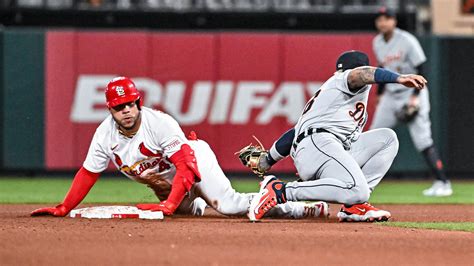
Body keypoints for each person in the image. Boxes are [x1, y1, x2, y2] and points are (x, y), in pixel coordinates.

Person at [30, 77, 328, 219]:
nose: (127, 111)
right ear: (110, 110)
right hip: (168, 180)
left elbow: (186, 165)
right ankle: (190, 204)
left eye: (130, 104)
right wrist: (64, 207)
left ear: (138, 103)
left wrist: (169, 204)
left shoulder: (158, 123)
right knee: (185, 211)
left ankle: (303, 207)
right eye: (119, 107)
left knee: (229, 205)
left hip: (192, 161)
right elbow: (88, 173)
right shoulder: (104, 135)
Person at [246, 50, 427, 222]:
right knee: (358, 189)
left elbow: (294, 132)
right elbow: (361, 74)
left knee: (388, 139)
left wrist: (268, 160)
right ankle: (282, 191)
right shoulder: (343, 79)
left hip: (323, 149)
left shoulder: (333, 98)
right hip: (319, 144)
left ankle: (355, 206)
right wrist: (399, 78)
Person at [371, 8, 452, 197]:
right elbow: (383, 68)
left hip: (412, 92)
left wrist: (416, 97)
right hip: (391, 94)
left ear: (394, 21)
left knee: (423, 140)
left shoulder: (407, 40)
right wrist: (380, 94)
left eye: (387, 19)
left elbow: (421, 68)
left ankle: (443, 182)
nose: (383, 22)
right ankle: (357, 181)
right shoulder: (377, 42)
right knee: (372, 136)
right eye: (380, 19)